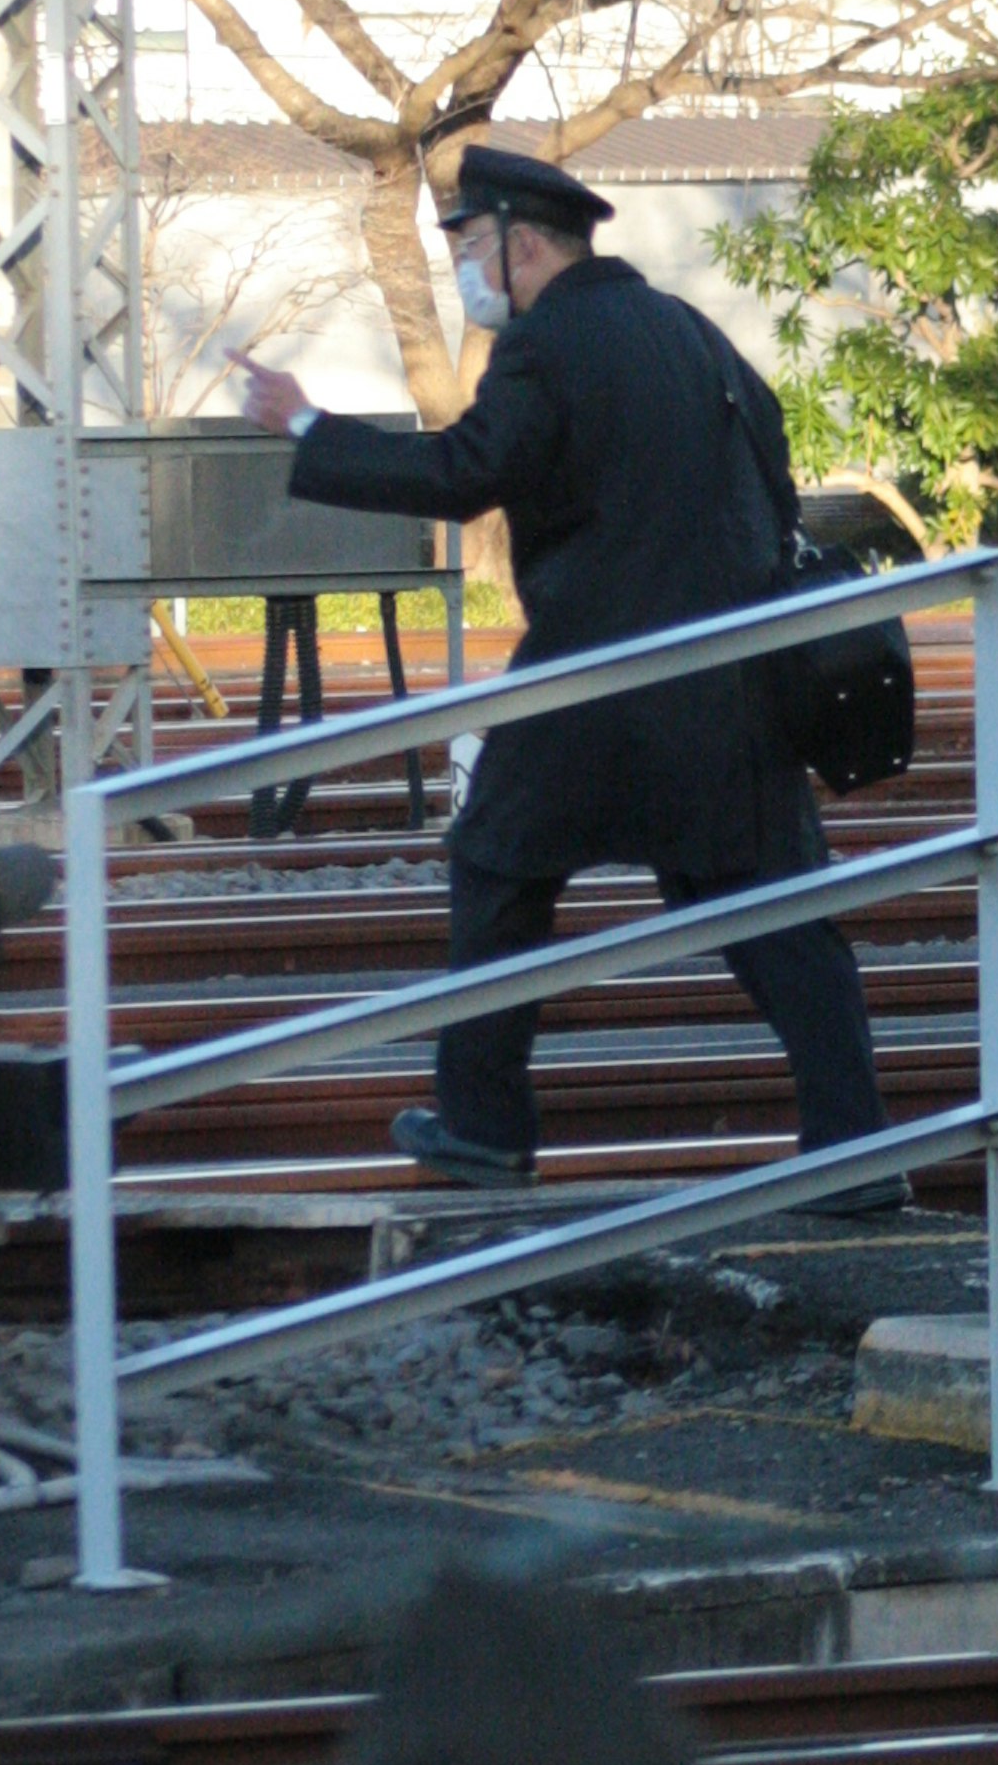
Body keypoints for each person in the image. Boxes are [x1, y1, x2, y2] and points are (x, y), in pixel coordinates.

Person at [236, 143, 890, 1192]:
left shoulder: (549, 347)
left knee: (499, 869)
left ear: (522, 243)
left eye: (468, 244)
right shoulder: (692, 334)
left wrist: (308, 424)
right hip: (733, 683)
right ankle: (860, 1153)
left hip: (595, 686)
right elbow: (768, 470)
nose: (462, 265)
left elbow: (464, 475)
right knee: (775, 917)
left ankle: (485, 1128)